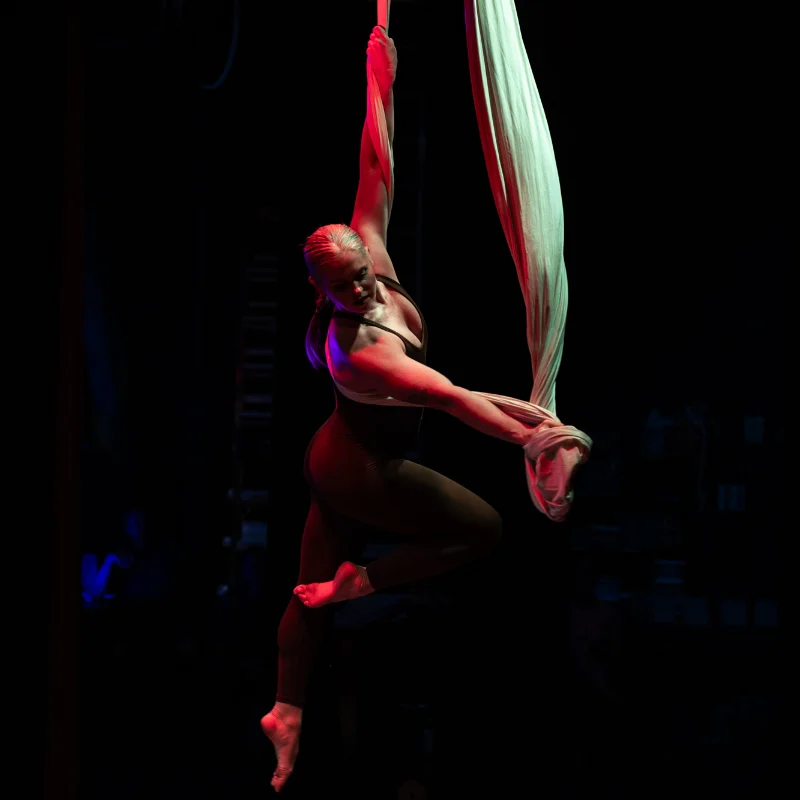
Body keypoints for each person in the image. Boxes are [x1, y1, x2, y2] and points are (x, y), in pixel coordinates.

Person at [261, 26, 552, 792]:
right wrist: (532, 435)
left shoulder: (367, 248)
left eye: (362, 276)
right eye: (343, 289)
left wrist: (379, 70)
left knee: (305, 592)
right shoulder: (358, 349)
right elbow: (451, 398)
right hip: (361, 469)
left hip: (337, 453)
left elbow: (376, 158)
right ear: (319, 292)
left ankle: (285, 711)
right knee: (482, 530)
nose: (361, 290)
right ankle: (364, 582)